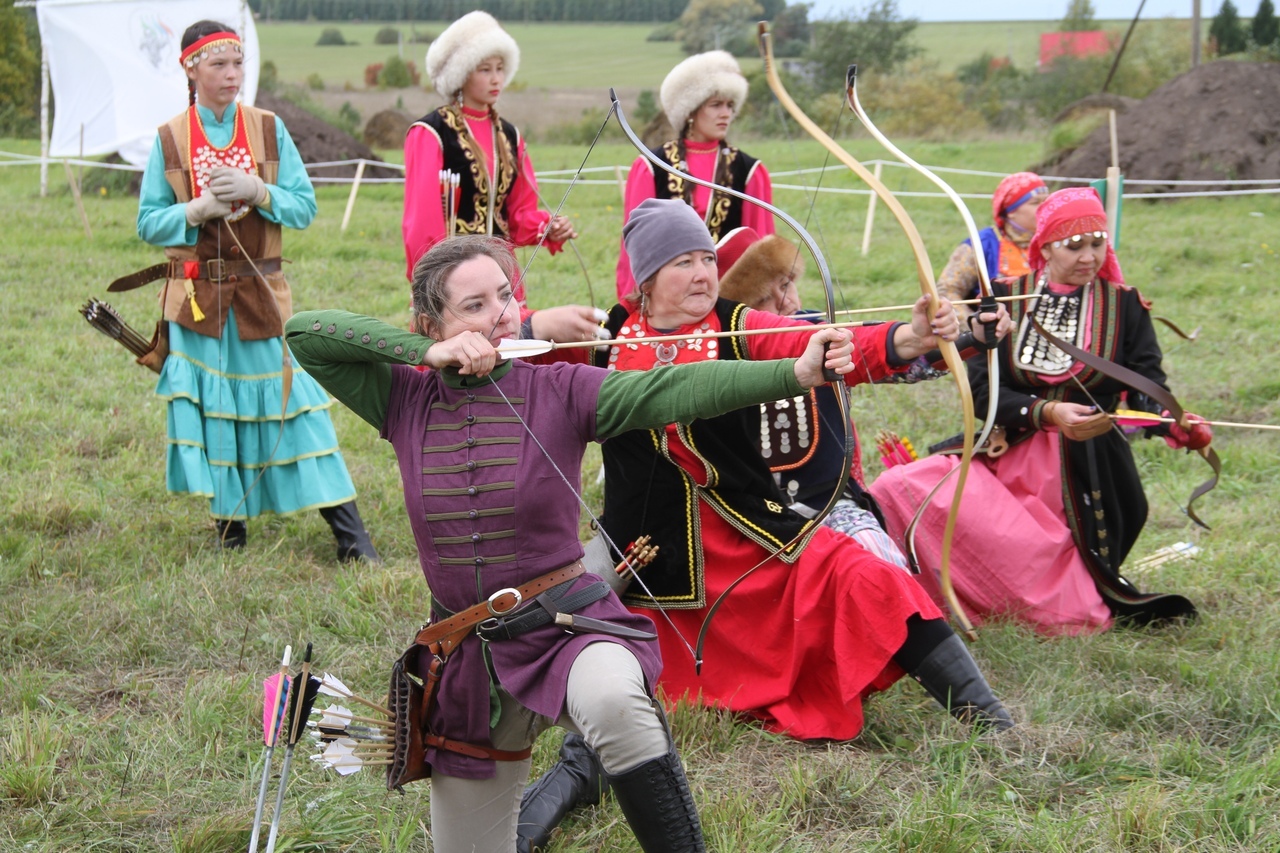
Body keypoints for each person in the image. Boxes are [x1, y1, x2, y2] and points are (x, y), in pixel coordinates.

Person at [283, 234, 860, 853]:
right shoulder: (402, 396)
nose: (500, 315)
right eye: (474, 305)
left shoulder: (561, 387)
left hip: (567, 623)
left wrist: (793, 371)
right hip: (464, 653)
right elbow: (305, 331)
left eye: (505, 296)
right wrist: (427, 353)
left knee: (617, 706)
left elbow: (673, 389)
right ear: (433, 321)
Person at [870, 187, 1208, 635]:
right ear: (1045, 246)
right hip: (1006, 453)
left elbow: (1145, 383)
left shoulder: (1124, 303)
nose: (1089, 256)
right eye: (1075, 246)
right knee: (900, 486)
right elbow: (983, 394)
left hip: (1087, 470)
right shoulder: (1009, 298)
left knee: (1072, 611)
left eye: (1098, 244)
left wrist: (1171, 422)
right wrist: (1046, 414)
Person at [133, 20, 376, 559]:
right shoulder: (170, 137)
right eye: (218, 64)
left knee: (296, 407)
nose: (231, 75)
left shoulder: (268, 129)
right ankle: (230, 530)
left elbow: (304, 206)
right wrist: (194, 211)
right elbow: (148, 223)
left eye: (237, 63)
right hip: (199, 302)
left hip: (261, 295)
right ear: (190, 69)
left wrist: (260, 190)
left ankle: (351, 537)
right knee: (216, 411)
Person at [404, 10, 602, 344]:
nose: (497, 79)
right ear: (462, 73)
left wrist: (546, 227)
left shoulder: (510, 136)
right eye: (485, 70)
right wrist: (433, 289)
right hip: (453, 282)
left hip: (502, 277)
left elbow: (520, 212)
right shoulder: (430, 133)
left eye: (500, 69)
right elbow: (421, 225)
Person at [614, 50, 775, 301]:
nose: (726, 113)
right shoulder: (652, 166)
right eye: (716, 105)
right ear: (691, 110)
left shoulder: (750, 171)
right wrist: (633, 305)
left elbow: (762, 252)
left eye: (730, 105)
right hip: (666, 301)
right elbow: (634, 250)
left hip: (731, 302)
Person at [937, 172, 1049, 319]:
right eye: (1035, 203)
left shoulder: (1054, 243)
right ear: (1011, 211)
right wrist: (977, 327)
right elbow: (946, 291)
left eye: (1046, 201)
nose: (1043, 208)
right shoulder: (981, 245)